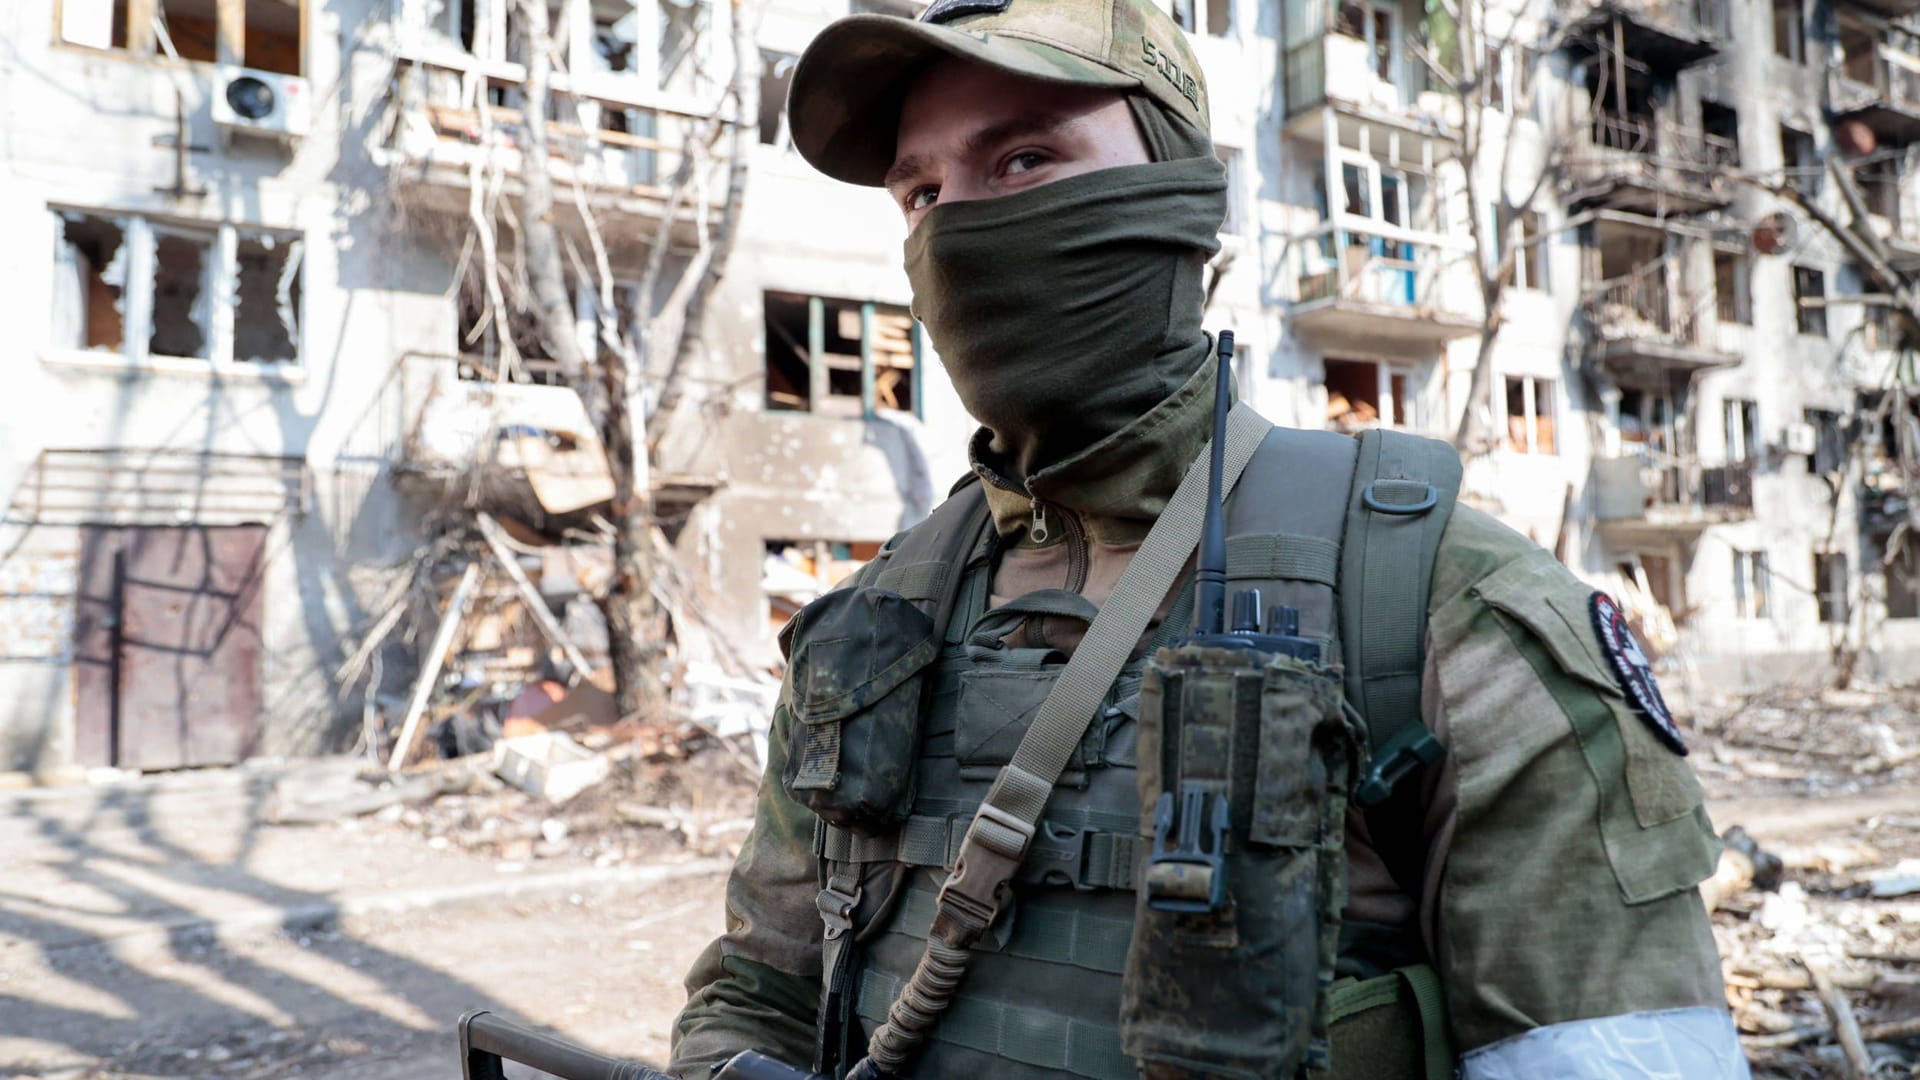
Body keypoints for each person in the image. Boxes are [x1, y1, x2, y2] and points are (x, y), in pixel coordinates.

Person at [670, 1, 1749, 1077]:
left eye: (1026, 158)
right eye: (921, 191)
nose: (953, 226)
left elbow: (1610, 1051)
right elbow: (757, 984)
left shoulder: (1434, 595)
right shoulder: (880, 616)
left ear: (1178, 198)